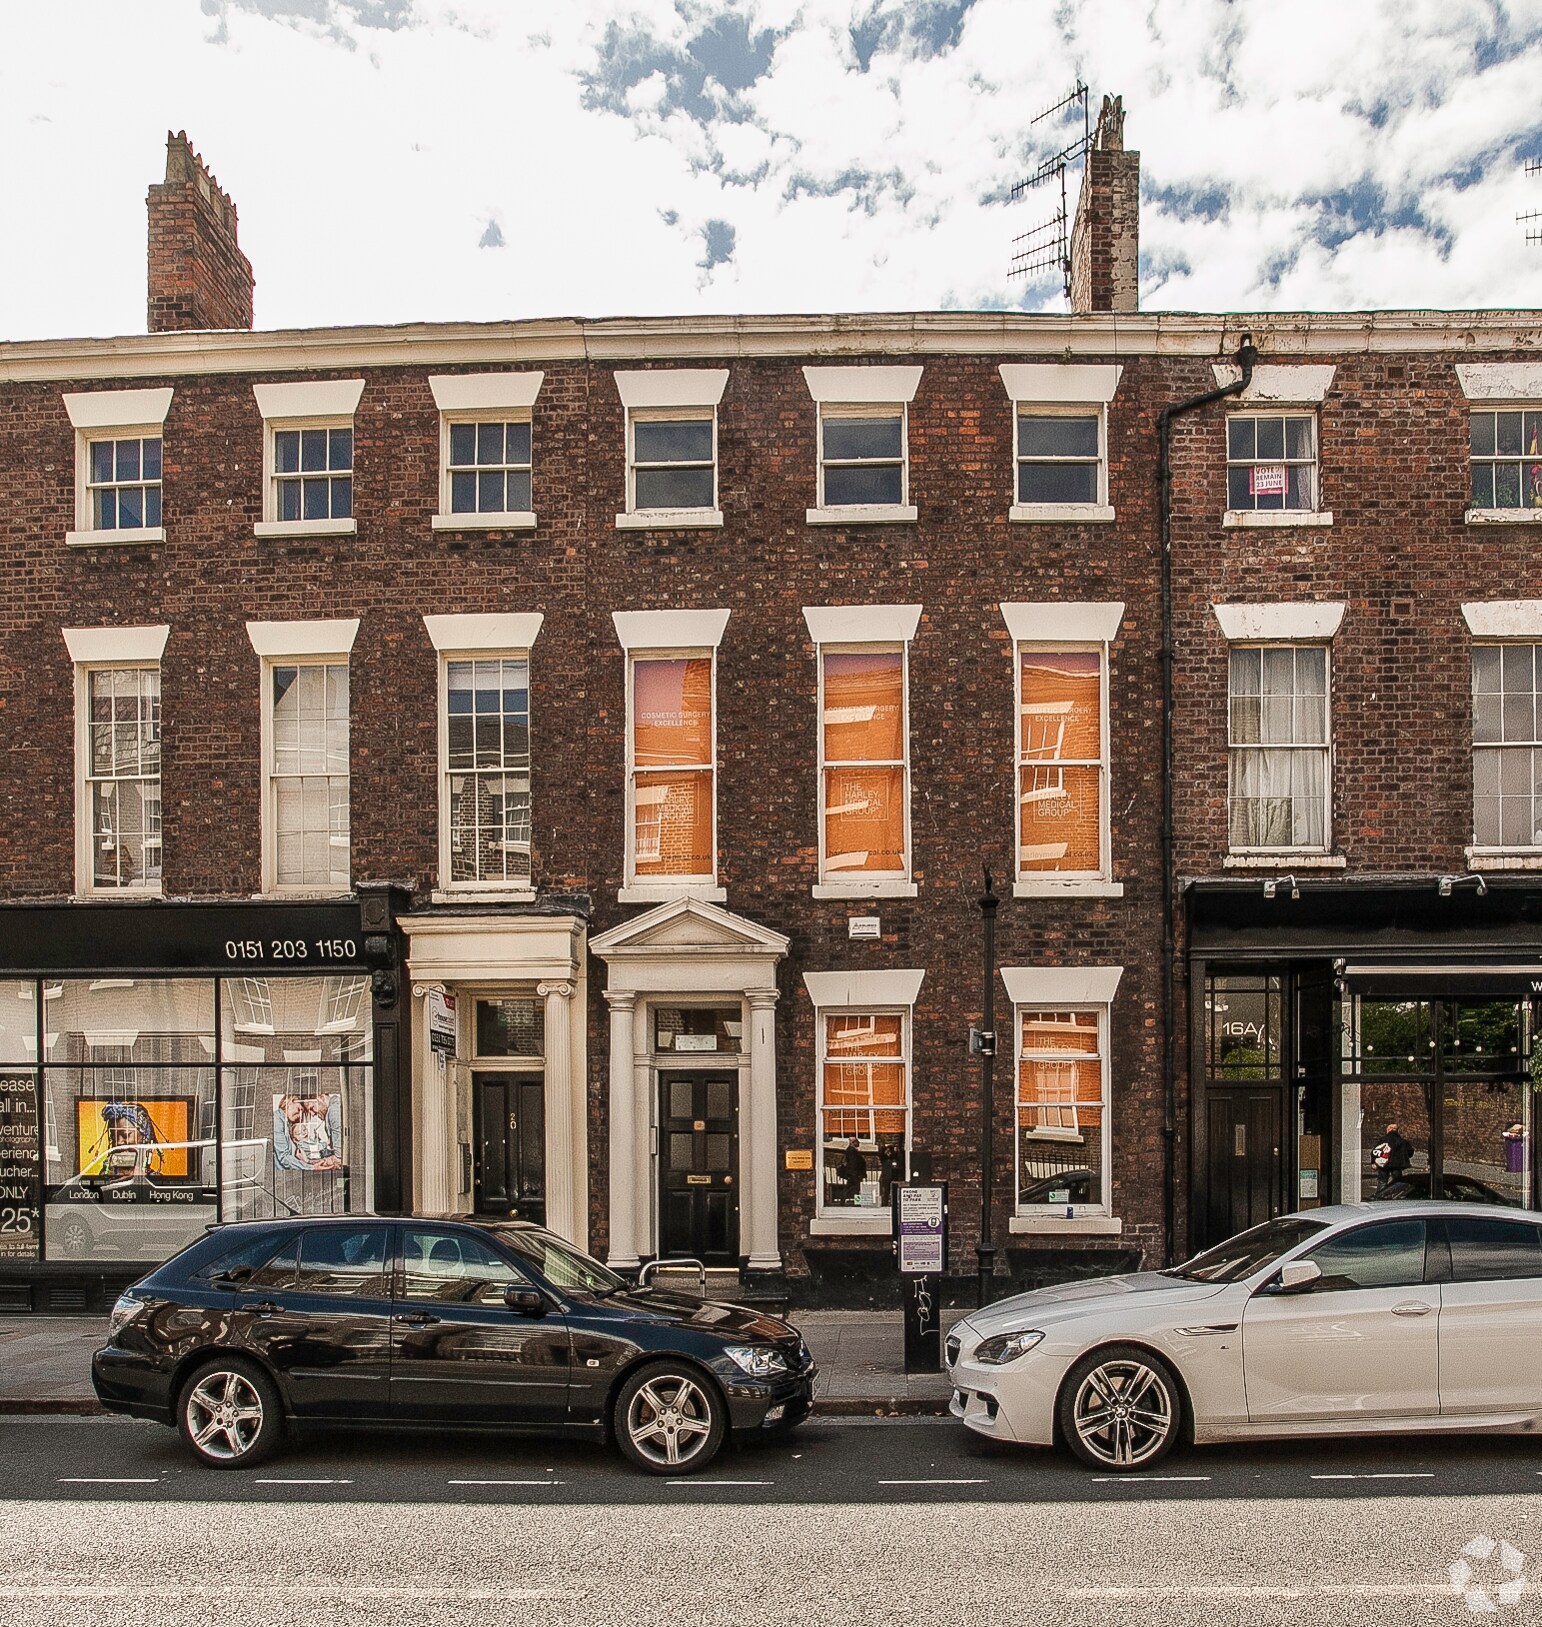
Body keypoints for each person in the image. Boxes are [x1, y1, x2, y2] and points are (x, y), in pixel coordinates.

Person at [1370, 1121, 1414, 1194]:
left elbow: (1375, 1151)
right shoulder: (1402, 1141)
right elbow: (1410, 1152)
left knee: (1382, 1181)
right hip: (1397, 1165)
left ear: (1388, 1130)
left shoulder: (1382, 1140)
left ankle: (1380, 1196)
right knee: (1397, 1182)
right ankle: (1396, 1196)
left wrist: (1373, 1162)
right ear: (1397, 1130)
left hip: (1383, 1164)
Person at [839, 1135, 866, 1206]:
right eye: (856, 1141)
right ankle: (857, 1202)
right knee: (857, 1187)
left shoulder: (851, 1150)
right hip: (854, 1173)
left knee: (849, 1187)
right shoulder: (851, 1151)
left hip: (853, 1172)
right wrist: (855, 1173)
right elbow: (853, 1163)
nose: (858, 1143)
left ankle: (843, 1200)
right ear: (852, 1142)